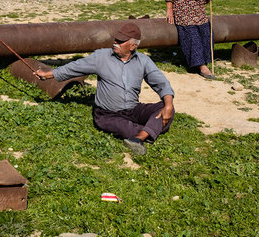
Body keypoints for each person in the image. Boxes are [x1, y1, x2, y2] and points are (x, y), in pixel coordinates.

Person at [35, 22, 174, 156]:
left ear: (132, 46)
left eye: (120, 41)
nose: (115, 43)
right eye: (116, 39)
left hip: (133, 109)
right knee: (128, 127)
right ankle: (147, 131)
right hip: (108, 114)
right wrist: (48, 74)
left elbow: (161, 82)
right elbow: (74, 67)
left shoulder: (143, 61)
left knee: (168, 109)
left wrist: (168, 105)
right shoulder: (101, 57)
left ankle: (139, 137)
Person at [165, 0, 216, 79]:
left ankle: (202, 61)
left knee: (208, 34)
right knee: (193, 38)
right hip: (185, 13)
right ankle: (201, 67)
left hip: (199, 13)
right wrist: (170, 10)